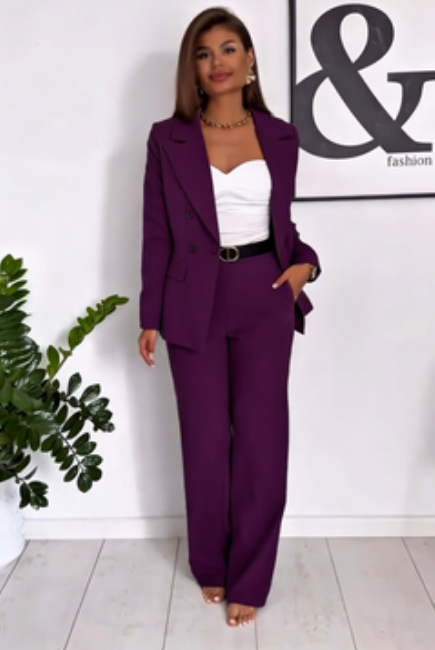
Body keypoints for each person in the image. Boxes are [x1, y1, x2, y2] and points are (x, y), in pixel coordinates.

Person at [138, 6, 321, 628]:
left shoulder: (280, 136)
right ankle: (210, 562)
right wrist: (151, 313)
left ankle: (251, 575)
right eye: (203, 52)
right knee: (205, 440)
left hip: (264, 290)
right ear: (192, 67)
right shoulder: (168, 137)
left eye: (228, 49)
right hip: (192, 296)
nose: (216, 62)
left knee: (263, 442)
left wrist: (306, 266)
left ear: (249, 60)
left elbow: (284, 225)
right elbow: (157, 232)